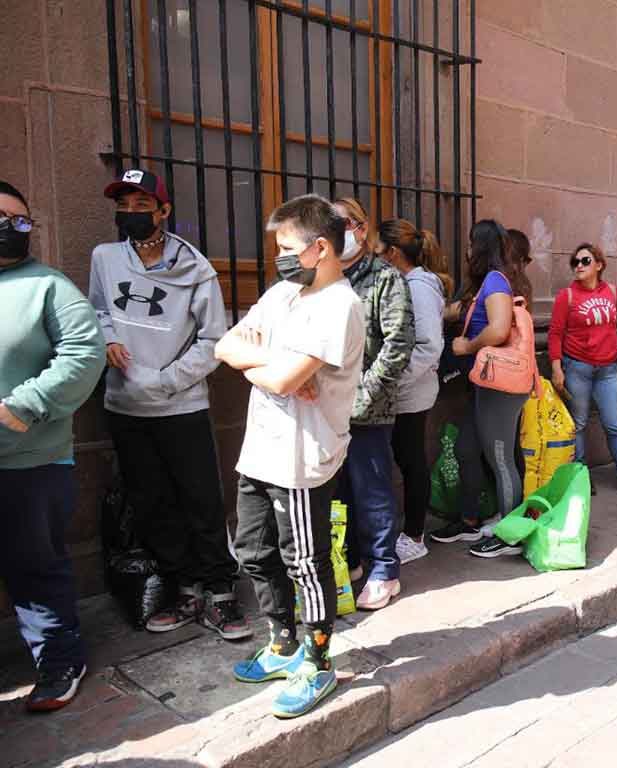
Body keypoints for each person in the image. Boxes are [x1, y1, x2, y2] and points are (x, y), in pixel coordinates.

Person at [216, 194, 365, 718]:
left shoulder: (340, 305)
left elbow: (280, 380)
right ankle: (282, 644)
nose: (278, 257)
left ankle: (318, 660)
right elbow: (225, 346)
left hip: (303, 457)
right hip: (260, 448)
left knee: (305, 561)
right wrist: (279, 366)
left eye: (286, 247)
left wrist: (274, 372)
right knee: (254, 551)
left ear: (320, 248)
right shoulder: (283, 293)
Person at [88, 169, 249, 640]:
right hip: (124, 404)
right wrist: (108, 338)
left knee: (201, 498)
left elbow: (214, 340)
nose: (131, 214)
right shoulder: (105, 258)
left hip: (181, 406)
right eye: (124, 205)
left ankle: (220, 590)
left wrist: (165, 380)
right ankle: (185, 588)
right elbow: (97, 309)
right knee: (152, 502)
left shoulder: (195, 268)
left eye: (142, 205)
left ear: (163, 211)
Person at [0, 181, 106, 712]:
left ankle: (60, 659)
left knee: (35, 565)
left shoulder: (47, 286)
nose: (9, 227)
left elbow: (84, 353)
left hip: (30, 460)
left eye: (18, 219)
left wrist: (24, 405)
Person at [331, 198, 415, 611]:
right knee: (338, 492)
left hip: (369, 407)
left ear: (361, 229)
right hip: (327, 407)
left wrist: (364, 396)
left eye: (343, 224)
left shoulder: (385, 278)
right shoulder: (324, 278)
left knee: (372, 490)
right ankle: (349, 561)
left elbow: (398, 343)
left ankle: (384, 569)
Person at [429, 220, 526, 558]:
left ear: (481, 247)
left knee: (501, 460)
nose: (467, 251)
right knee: (467, 448)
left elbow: (498, 330)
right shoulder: (487, 283)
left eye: (471, 244)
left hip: (500, 386)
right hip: (485, 384)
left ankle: (511, 536)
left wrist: (467, 347)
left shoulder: (496, 280)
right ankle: (470, 520)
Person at [549, 244, 617, 497]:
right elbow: (555, 334)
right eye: (575, 262)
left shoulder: (613, 292)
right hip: (578, 368)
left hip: (607, 369)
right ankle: (581, 475)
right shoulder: (566, 296)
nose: (579, 266)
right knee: (579, 424)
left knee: (614, 424)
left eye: (585, 261)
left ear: (599, 264)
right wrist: (556, 368)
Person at [379, 218, 451, 566]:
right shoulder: (406, 283)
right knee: (406, 458)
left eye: (378, 250)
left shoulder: (419, 287)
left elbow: (428, 345)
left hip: (410, 391)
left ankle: (414, 535)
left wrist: (392, 380)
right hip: (402, 389)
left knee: (411, 462)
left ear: (393, 252)